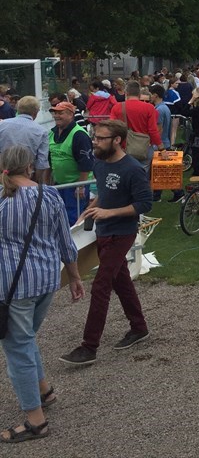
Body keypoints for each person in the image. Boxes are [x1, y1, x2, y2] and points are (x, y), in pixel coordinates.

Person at [0, 146, 84, 443]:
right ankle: (44, 390)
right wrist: (74, 276)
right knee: (25, 339)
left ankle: (36, 421)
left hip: (13, 286)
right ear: (30, 167)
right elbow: (65, 240)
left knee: (18, 349)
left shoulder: (3, 201)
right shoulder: (49, 195)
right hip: (47, 280)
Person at [60, 119, 152, 366]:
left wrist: (109, 213)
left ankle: (89, 347)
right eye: (95, 137)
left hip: (122, 233)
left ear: (117, 140)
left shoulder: (133, 169)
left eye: (100, 138)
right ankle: (139, 327)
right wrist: (89, 210)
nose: (95, 142)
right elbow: (104, 194)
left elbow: (144, 204)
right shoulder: (99, 163)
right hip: (102, 231)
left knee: (101, 286)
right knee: (121, 280)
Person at [47, 101, 94, 229]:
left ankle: (74, 240)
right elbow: (49, 158)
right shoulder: (52, 133)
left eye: (60, 113)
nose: (56, 116)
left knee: (73, 218)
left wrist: (80, 186)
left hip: (75, 185)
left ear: (71, 115)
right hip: (59, 184)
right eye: (55, 113)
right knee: (58, 215)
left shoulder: (79, 135)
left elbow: (86, 163)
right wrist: (48, 180)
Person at [109, 80, 163, 171]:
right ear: (139, 94)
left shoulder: (117, 107)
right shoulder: (149, 108)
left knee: (123, 173)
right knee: (142, 173)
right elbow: (153, 130)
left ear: (126, 93)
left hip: (123, 148)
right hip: (144, 148)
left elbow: (112, 128)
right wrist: (161, 147)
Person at [0, 96, 51, 184]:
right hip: (27, 177)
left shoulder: (2, 125)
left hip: (3, 175)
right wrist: (35, 180)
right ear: (36, 112)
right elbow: (42, 162)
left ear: (18, 109)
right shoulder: (41, 131)